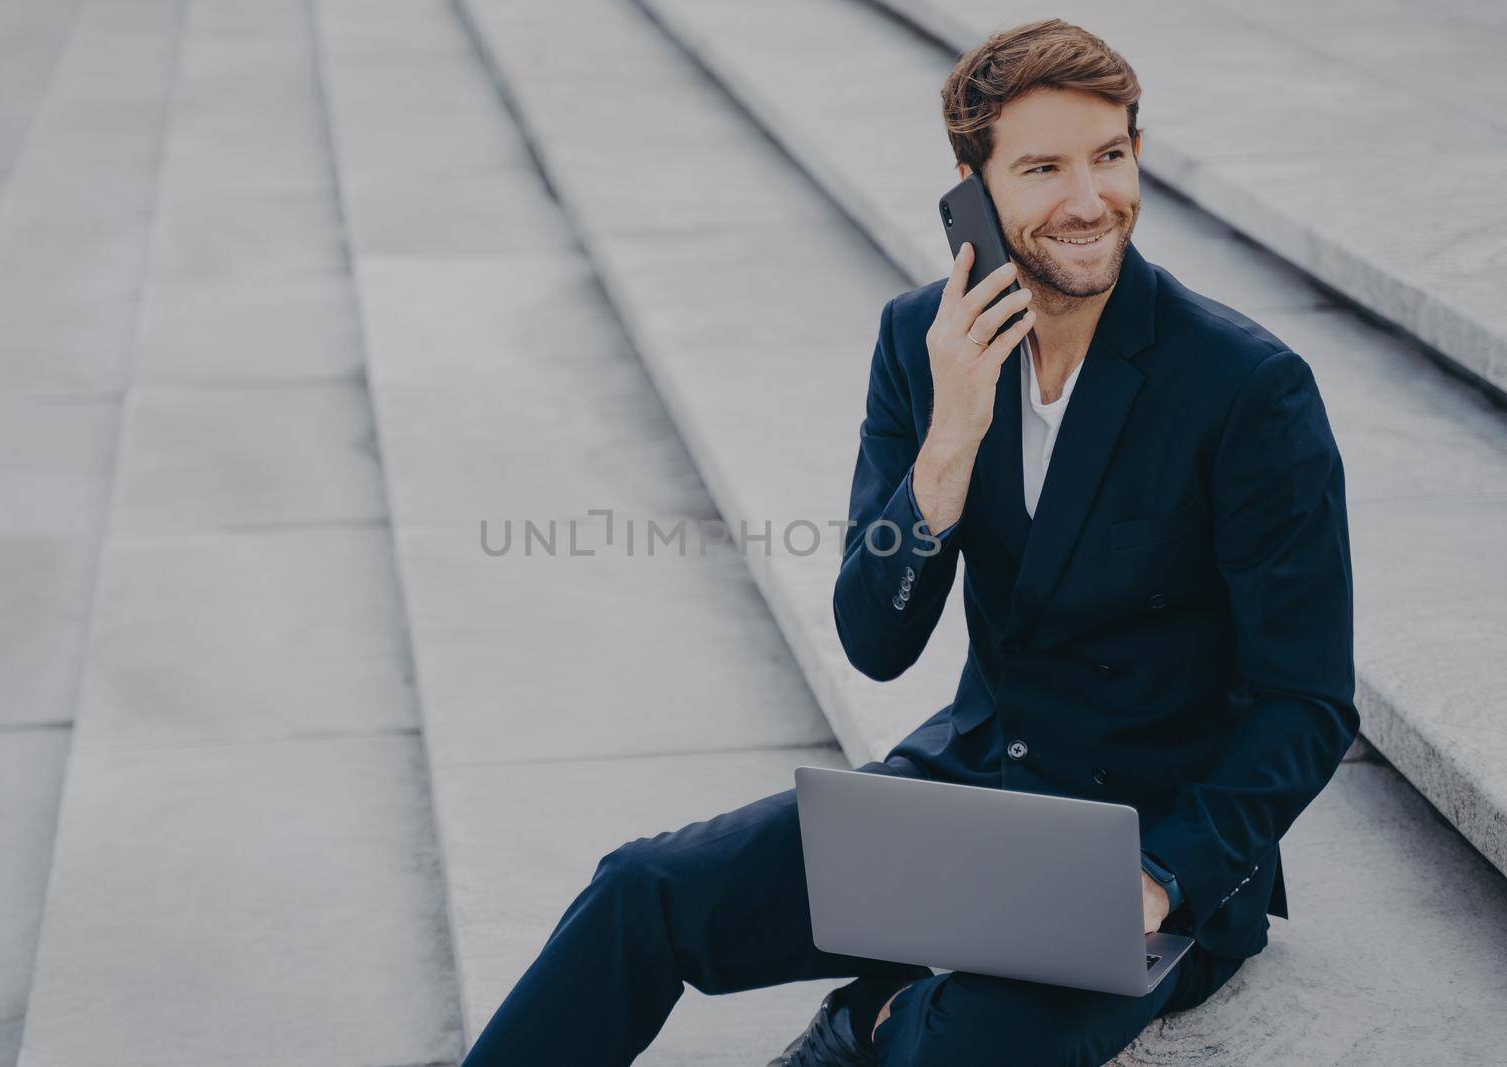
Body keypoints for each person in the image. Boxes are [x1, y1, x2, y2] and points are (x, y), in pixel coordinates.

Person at [461, 18, 1357, 1066]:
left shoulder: (1246, 387)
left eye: (1109, 156)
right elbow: (873, 638)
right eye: (1042, 168)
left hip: (1149, 846)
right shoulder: (919, 341)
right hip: (967, 794)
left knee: (959, 1045)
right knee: (642, 889)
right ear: (970, 187)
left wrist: (1161, 877)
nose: (1088, 199)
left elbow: (1307, 699)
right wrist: (948, 442)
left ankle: (870, 1016)